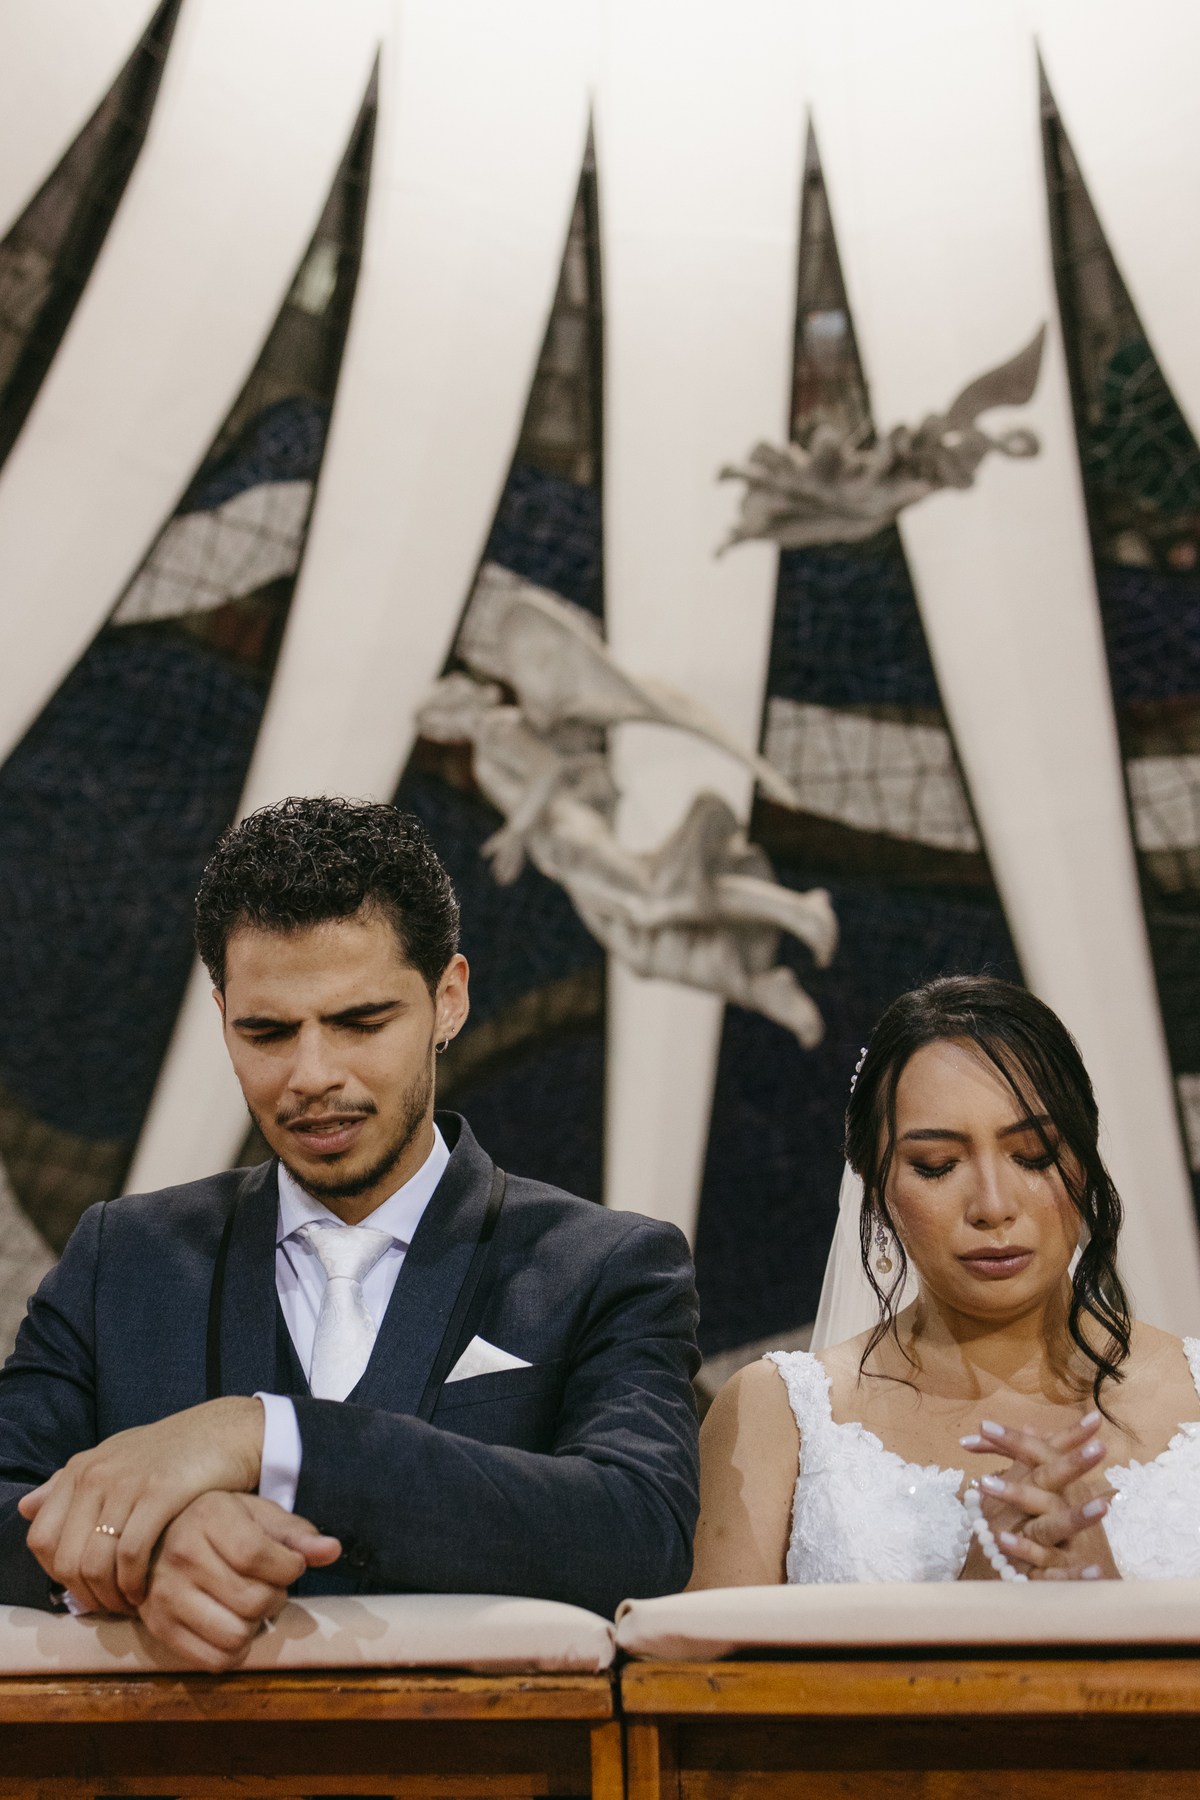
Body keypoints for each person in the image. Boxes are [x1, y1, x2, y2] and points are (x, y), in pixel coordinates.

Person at [0, 798, 700, 1666]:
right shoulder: (124, 1256)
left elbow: (638, 1532)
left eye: (360, 1023)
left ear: (449, 1000)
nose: (312, 1075)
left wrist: (264, 1436)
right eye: (267, 1032)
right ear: (222, 1017)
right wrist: (142, 1553)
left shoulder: (608, 1265)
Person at [690, 976, 1200, 1587]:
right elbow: (702, 1653)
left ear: (1084, 1162)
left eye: (1034, 1155)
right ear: (875, 1187)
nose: (993, 1205)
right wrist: (969, 1606)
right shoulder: (775, 1415)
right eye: (937, 1166)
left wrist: (1111, 1608)